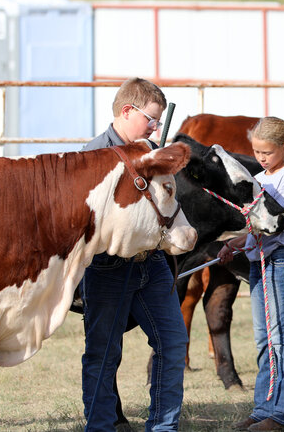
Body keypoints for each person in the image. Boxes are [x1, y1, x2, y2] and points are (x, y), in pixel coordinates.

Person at [80, 77, 188, 431]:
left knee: (173, 344)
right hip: (107, 267)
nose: (156, 128)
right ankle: (99, 428)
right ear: (127, 111)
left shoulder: (150, 152)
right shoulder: (91, 157)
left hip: (152, 264)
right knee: (103, 355)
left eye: (158, 121)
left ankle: (163, 427)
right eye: (151, 120)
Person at [218, 117, 284, 431]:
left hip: (281, 261)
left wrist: (243, 239)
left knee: (280, 339)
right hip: (261, 262)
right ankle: (264, 409)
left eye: (267, 152)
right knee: (264, 340)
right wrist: (235, 244)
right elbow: (254, 227)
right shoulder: (259, 179)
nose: (261, 158)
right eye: (256, 151)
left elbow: (273, 224)